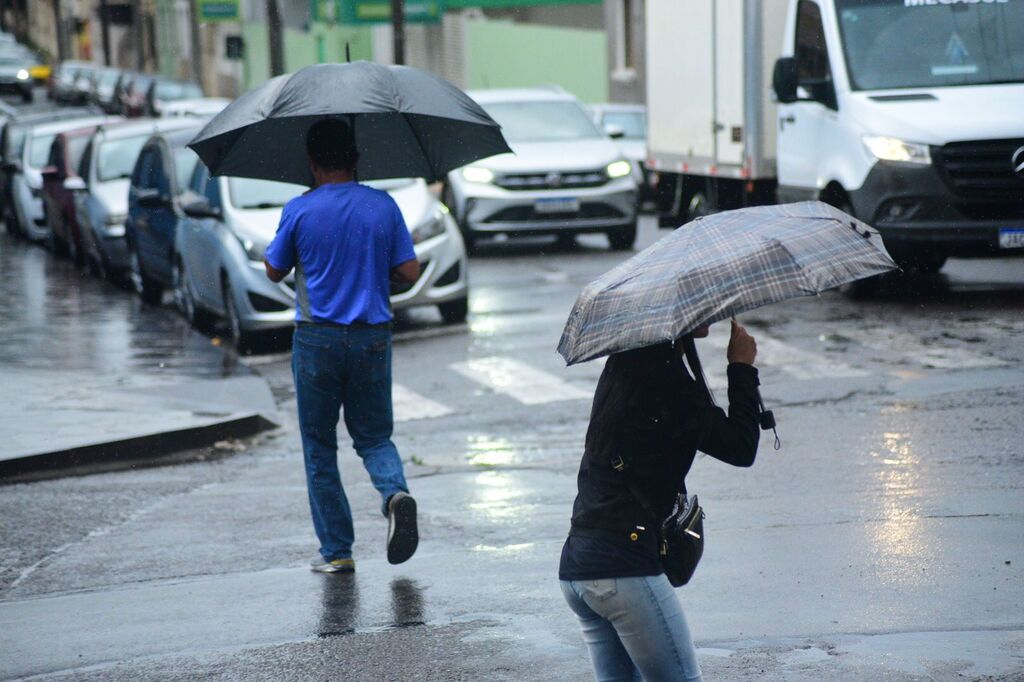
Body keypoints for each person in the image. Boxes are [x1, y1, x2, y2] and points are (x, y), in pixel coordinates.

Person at [559, 319, 761, 681]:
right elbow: (740, 447)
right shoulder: (668, 380)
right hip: (624, 567)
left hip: (580, 562)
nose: (712, 313)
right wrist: (741, 368)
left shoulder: (624, 365)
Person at [264, 118, 421, 574]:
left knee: (319, 446)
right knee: (373, 436)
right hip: (372, 337)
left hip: (317, 340)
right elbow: (409, 272)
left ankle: (337, 551)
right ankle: (395, 494)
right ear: (355, 158)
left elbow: (274, 270)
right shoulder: (383, 206)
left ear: (312, 164)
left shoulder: (300, 209)